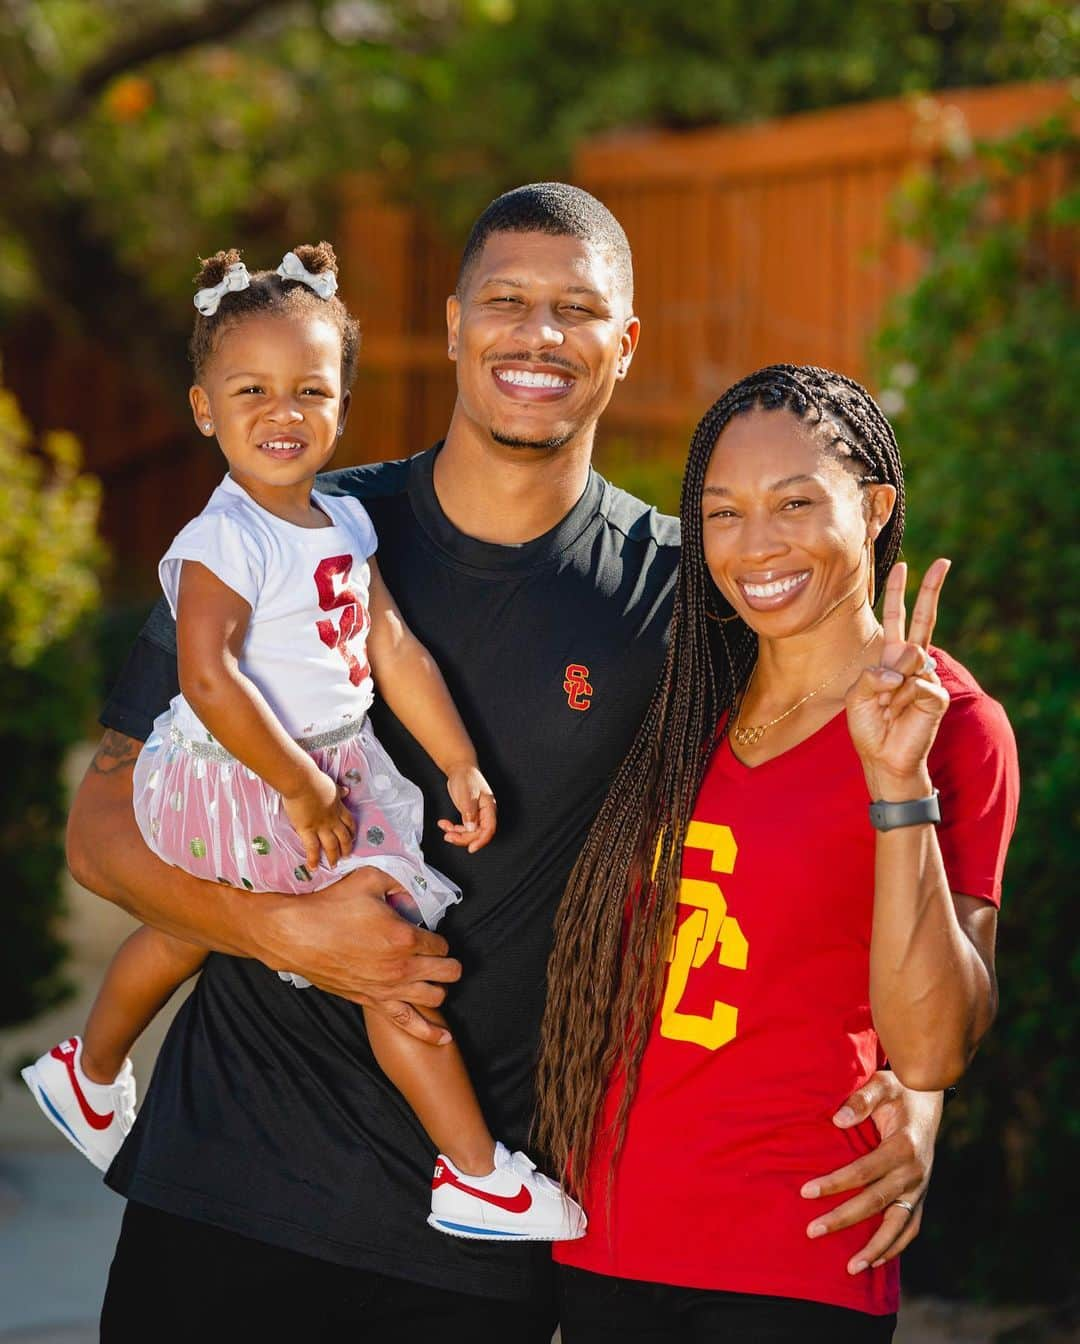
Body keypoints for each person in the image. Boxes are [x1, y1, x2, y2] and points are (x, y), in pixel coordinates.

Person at [65, 188, 942, 1343]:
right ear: (451, 323)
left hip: (482, 1238)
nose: (537, 335)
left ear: (624, 345)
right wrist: (276, 929)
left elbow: (871, 725)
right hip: (231, 1185)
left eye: (576, 309)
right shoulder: (300, 535)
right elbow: (101, 830)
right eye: (506, 302)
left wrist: (915, 1100)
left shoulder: (683, 595)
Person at [22, 239, 583, 1243]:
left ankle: (88, 1069)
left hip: (316, 764)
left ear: (341, 405)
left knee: (195, 928)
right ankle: (474, 1171)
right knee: (392, 940)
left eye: (310, 392)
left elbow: (395, 648)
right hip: (236, 775)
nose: (283, 415)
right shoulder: (223, 536)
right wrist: (300, 789)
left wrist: (455, 757)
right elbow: (206, 677)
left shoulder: (342, 525)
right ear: (205, 410)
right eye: (252, 391)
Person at [538, 364, 1020, 1342]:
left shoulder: (953, 727)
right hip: (605, 1243)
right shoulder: (674, 703)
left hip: (796, 1255)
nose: (757, 545)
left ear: (876, 507)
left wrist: (896, 785)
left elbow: (933, 1047)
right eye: (723, 513)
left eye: (796, 503)